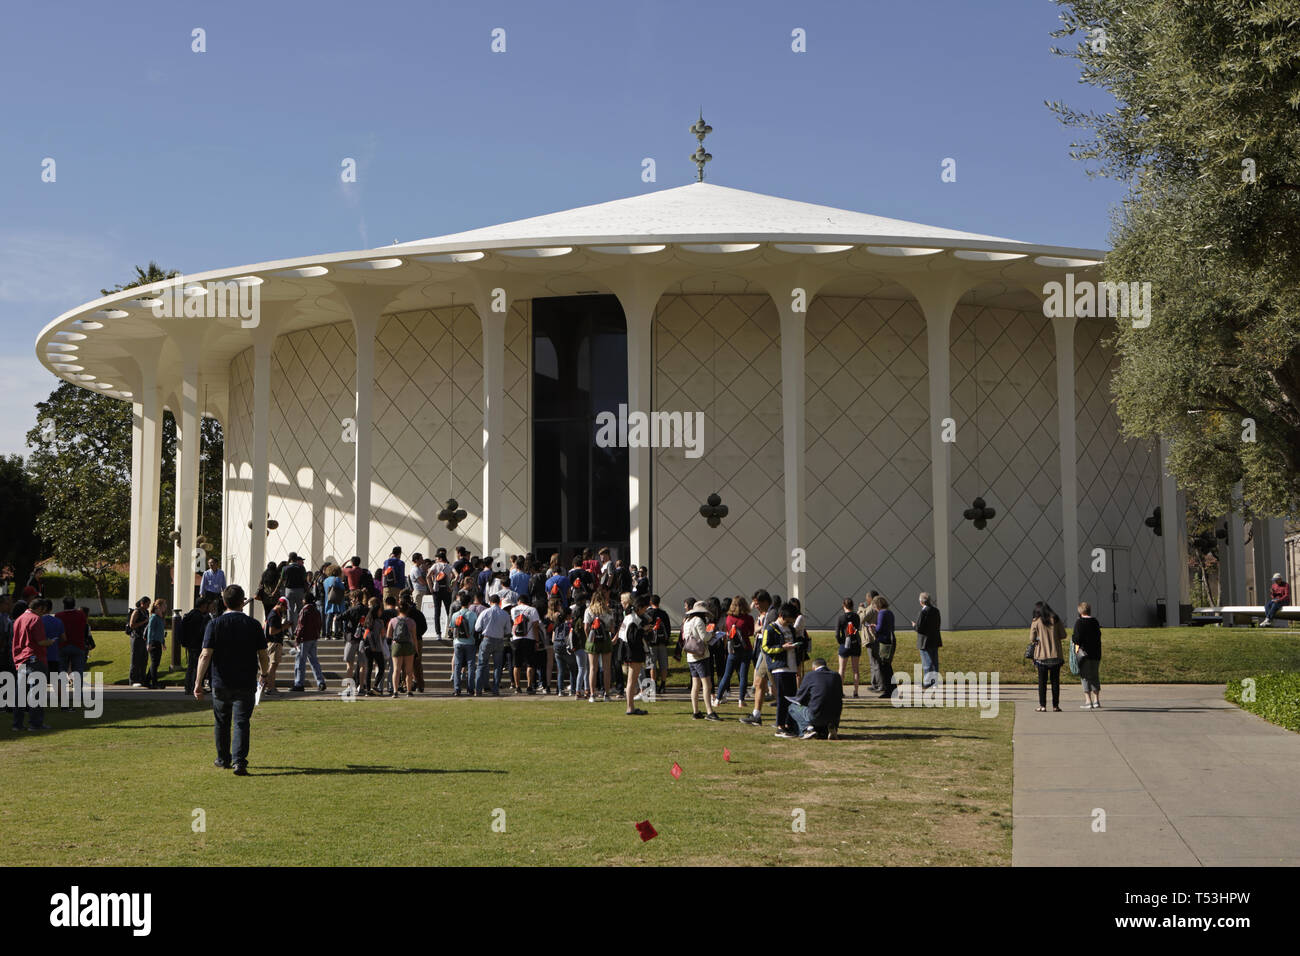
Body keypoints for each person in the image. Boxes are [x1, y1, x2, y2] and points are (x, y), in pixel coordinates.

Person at [193, 585, 270, 775]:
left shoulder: (215, 624)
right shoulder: (253, 625)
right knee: (242, 721)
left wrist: (198, 682)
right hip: (245, 680)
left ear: (224, 602)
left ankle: (223, 758)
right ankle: (239, 761)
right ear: (243, 602)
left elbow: (205, 655)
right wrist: (265, 674)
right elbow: (263, 654)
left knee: (222, 721)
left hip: (221, 681)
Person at [760, 602, 801, 737]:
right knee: (782, 699)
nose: (789, 623)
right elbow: (765, 648)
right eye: (787, 620)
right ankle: (780, 725)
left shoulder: (791, 629)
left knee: (792, 698)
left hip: (792, 667)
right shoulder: (771, 628)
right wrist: (782, 647)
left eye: (791, 621)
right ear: (781, 616)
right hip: (779, 668)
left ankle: (790, 724)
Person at [11, 599, 52, 731]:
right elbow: (40, 642)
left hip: (21, 659)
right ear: (39, 608)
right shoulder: (35, 619)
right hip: (35, 659)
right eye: (44, 610)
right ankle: (36, 723)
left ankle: (17, 724)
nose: (44, 613)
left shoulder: (19, 619)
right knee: (36, 692)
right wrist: (50, 642)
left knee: (20, 694)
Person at [741, 590, 776, 725]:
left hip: (771, 654)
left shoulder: (772, 614)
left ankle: (786, 718)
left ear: (765, 602)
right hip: (764, 652)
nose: (755, 606)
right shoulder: (767, 614)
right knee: (759, 683)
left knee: (776, 686)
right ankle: (756, 715)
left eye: (757, 603)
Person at [680, 601, 721, 720]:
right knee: (706, 684)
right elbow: (704, 638)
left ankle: (696, 711)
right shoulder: (698, 621)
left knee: (695, 684)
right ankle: (709, 711)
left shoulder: (687, 621)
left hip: (691, 656)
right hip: (701, 656)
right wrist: (712, 634)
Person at [713, 596, 753, 708]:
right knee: (743, 675)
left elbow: (727, 631)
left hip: (733, 649)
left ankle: (718, 699)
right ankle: (741, 700)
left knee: (727, 675)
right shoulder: (748, 618)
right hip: (746, 648)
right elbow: (751, 632)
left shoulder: (729, 618)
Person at [789, 658, 844, 739]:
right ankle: (832, 727)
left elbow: (800, 697)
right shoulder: (836, 676)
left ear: (814, 667)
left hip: (816, 714)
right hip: (834, 716)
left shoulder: (810, 675)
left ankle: (807, 729)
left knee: (792, 707)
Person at [1030, 601, 1066, 712]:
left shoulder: (1036, 622)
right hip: (1056, 655)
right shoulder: (1056, 619)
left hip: (1041, 656)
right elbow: (1063, 635)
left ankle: (1042, 705)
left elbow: (1032, 638)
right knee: (1055, 682)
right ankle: (1056, 706)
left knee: (1042, 683)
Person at [618, 595, 652, 715]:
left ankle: (630, 706)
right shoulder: (633, 619)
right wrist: (644, 630)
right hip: (633, 651)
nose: (645, 611)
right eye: (644, 609)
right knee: (632, 681)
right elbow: (633, 638)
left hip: (627, 650)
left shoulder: (628, 617)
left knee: (631, 680)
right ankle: (630, 707)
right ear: (639, 608)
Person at [584, 589, 616, 703]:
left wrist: (589, 637)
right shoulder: (608, 611)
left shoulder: (589, 610)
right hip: (606, 639)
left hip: (593, 640)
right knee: (606, 668)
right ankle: (606, 694)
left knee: (593, 668)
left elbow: (586, 627)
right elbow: (612, 628)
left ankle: (592, 694)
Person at [475, 593, 509, 696]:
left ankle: (478, 689)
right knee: (497, 666)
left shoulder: (485, 612)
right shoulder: (505, 614)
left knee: (481, 665)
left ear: (490, 602)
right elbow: (508, 630)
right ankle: (495, 689)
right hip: (499, 640)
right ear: (499, 602)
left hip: (487, 639)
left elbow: (477, 628)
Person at [290, 594, 327, 692]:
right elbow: (320, 624)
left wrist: (297, 639)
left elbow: (301, 625)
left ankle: (299, 683)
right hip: (313, 638)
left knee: (300, 662)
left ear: (305, 600)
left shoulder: (304, 610)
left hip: (304, 639)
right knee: (314, 661)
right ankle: (320, 681)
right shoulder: (316, 611)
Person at [181, 594, 214, 694]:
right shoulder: (200, 617)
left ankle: (188, 686)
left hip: (190, 644)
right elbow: (202, 632)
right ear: (203, 606)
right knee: (196, 667)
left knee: (191, 666)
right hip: (197, 645)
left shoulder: (190, 615)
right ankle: (193, 686)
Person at [449, 591, 481, 696]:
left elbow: (452, 627)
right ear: (469, 603)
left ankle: (457, 689)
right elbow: (477, 628)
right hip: (470, 642)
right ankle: (470, 688)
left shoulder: (455, 615)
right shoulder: (472, 615)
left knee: (457, 666)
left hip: (458, 642)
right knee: (471, 665)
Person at [1072, 601, 1103, 709]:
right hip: (1096, 653)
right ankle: (1097, 700)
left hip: (1084, 654)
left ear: (1080, 611)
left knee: (1085, 676)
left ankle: (1088, 701)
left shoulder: (1079, 623)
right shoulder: (1095, 622)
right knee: (1095, 676)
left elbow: (1076, 639)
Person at [54, 596, 88, 689]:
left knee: (61, 670)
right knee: (78, 670)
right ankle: (78, 694)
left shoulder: (58, 615)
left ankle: (60, 693)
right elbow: (85, 628)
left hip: (63, 645)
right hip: (78, 645)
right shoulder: (81, 614)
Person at [387, 601, 418, 697]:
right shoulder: (411, 621)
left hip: (396, 645)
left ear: (398, 609)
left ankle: (395, 691)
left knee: (396, 669)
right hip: (408, 645)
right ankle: (409, 691)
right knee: (409, 670)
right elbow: (414, 637)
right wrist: (416, 649)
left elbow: (389, 635)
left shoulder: (392, 620)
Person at [868, 594, 896, 698]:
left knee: (884, 666)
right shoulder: (889, 612)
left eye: (874, 605)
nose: (874, 608)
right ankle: (893, 688)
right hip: (891, 639)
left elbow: (879, 629)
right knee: (888, 666)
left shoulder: (881, 613)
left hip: (884, 641)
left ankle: (889, 690)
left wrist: (873, 628)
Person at [834, 597, 862, 697]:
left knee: (842, 669)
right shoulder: (857, 617)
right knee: (855, 669)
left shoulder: (841, 618)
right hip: (855, 644)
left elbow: (837, 634)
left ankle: (840, 692)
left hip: (845, 644)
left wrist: (841, 641)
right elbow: (857, 628)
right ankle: (856, 692)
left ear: (843, 606)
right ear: (852, 606)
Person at [914, 592, 942, 689]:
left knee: (926, 663)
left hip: (924, 641)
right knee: (934, 662)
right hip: (935, 639)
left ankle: (927, 682)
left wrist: (914, 625)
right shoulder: (936, 611)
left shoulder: (923, 612)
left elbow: (919, 628)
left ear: (921, 601)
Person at [647, 594, 672, 697]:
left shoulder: (648, 613)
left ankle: (653, 685)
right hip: (662, 643)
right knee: (663, 664)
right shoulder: (664, 614)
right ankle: (663, 684)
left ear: (650, 602)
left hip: (652, 643)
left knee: (652, 664)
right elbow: (668, 628)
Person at [263, 597, 289, 694]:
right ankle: (270, 687)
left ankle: (269, 686)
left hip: (275, 642)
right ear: (281, 605)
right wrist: (284, 627)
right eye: (285, 608)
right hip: (274, 643)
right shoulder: (274, 615)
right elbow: (272, 631)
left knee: (273, 665)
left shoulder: (275, 613)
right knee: (273, 665)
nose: (285, 610)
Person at [859, 590, 882, 692]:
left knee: (874, 662)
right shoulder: (878, 608)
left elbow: (861, 619)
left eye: (867, 598)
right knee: (874, 662)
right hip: (876, 637)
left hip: (871, 637)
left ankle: (878, 684)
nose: (866, 600)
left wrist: (860, 609)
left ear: (870, 598)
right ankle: (876, 683)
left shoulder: (871, 608)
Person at [427, 549, 454, 635]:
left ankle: (438, 633)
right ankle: (451, 631)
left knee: (437, 612)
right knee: (449, 611)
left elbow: (428, 576)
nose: (436, 560)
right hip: (446, 590)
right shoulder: (449, 566)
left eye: (436, 558)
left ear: (439, 558)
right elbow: (456, 576)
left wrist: (430, 588)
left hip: (436, 590)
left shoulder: (435, 566)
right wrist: (451, 586)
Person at [145, 599, 168, 689]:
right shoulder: (154, 617)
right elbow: (150, 631)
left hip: (158, 642)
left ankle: (147, 681)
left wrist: (163, 643)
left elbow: (161, 632)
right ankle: (154, 683)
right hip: (153, 642)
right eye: (164, 605)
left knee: (155, 663)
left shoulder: (160, 618)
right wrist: (149, 643)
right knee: (155, 663)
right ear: (159, 606)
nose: (165, 607)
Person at [127, 596, 150, 687]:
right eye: (147, 604)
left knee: (144, 659)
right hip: (136, 637)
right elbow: (132, 625)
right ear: (142, 603)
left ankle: (142, 678)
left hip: (144, 638)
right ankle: (133, 679)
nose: (148, 606)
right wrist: (144, 621)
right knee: (135, 659)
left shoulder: (146, 612)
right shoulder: (136, 611)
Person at [280, 553, 309, 623]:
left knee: (290, 610)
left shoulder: (285, 568)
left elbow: (282, 578)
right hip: (300, 590)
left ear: (290, 558)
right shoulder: (301, 568)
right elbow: (305, 579)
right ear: (296, 558)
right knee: (300, 609)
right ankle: (301, 627)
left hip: (289, 590)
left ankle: (291, 631)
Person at [322, 564, 347, 639]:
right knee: (337, 617)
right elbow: (342, 588)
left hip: (328, 600)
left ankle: (327, 634)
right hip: (337, 600)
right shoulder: (337, 579)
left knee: (329, 617)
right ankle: (336, 633)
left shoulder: (325, 580)